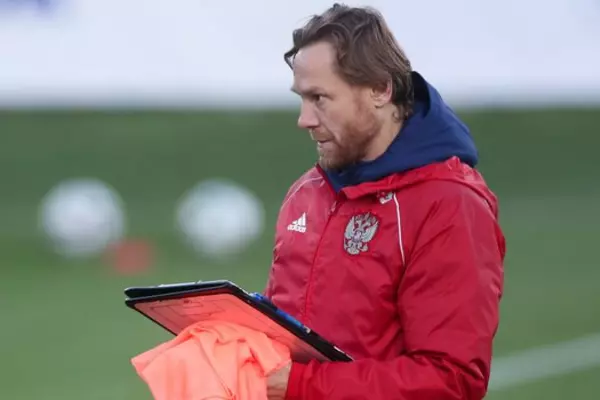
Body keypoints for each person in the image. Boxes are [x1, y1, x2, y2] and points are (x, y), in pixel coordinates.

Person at [263, 3, 506, 400]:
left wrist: (300, 386)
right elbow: (288, 335)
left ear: (380, 89)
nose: (304, 119)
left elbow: (451, 380)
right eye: (301, 98)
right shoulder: (308, 191)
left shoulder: (449, 204)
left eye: (319, 98)